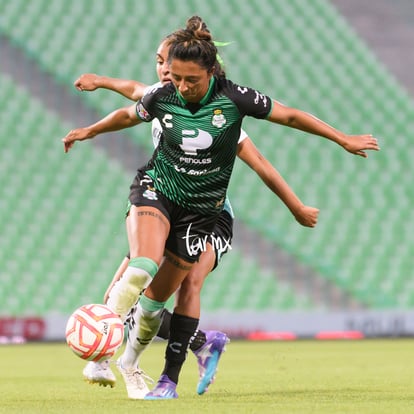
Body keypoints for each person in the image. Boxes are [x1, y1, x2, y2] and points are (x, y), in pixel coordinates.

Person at [61, 16, 379, 400]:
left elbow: (289, 118)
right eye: (171, 74)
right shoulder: (163, 94)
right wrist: (89, 129)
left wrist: (341, 140)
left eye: (188, 79)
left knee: (153, 304)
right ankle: (104, 350)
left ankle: (135, 361)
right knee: (140, 266)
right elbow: (130, 109)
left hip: (202, 213)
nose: (178, 85)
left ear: (210, 72)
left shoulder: (233, 102)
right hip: (157, 190)